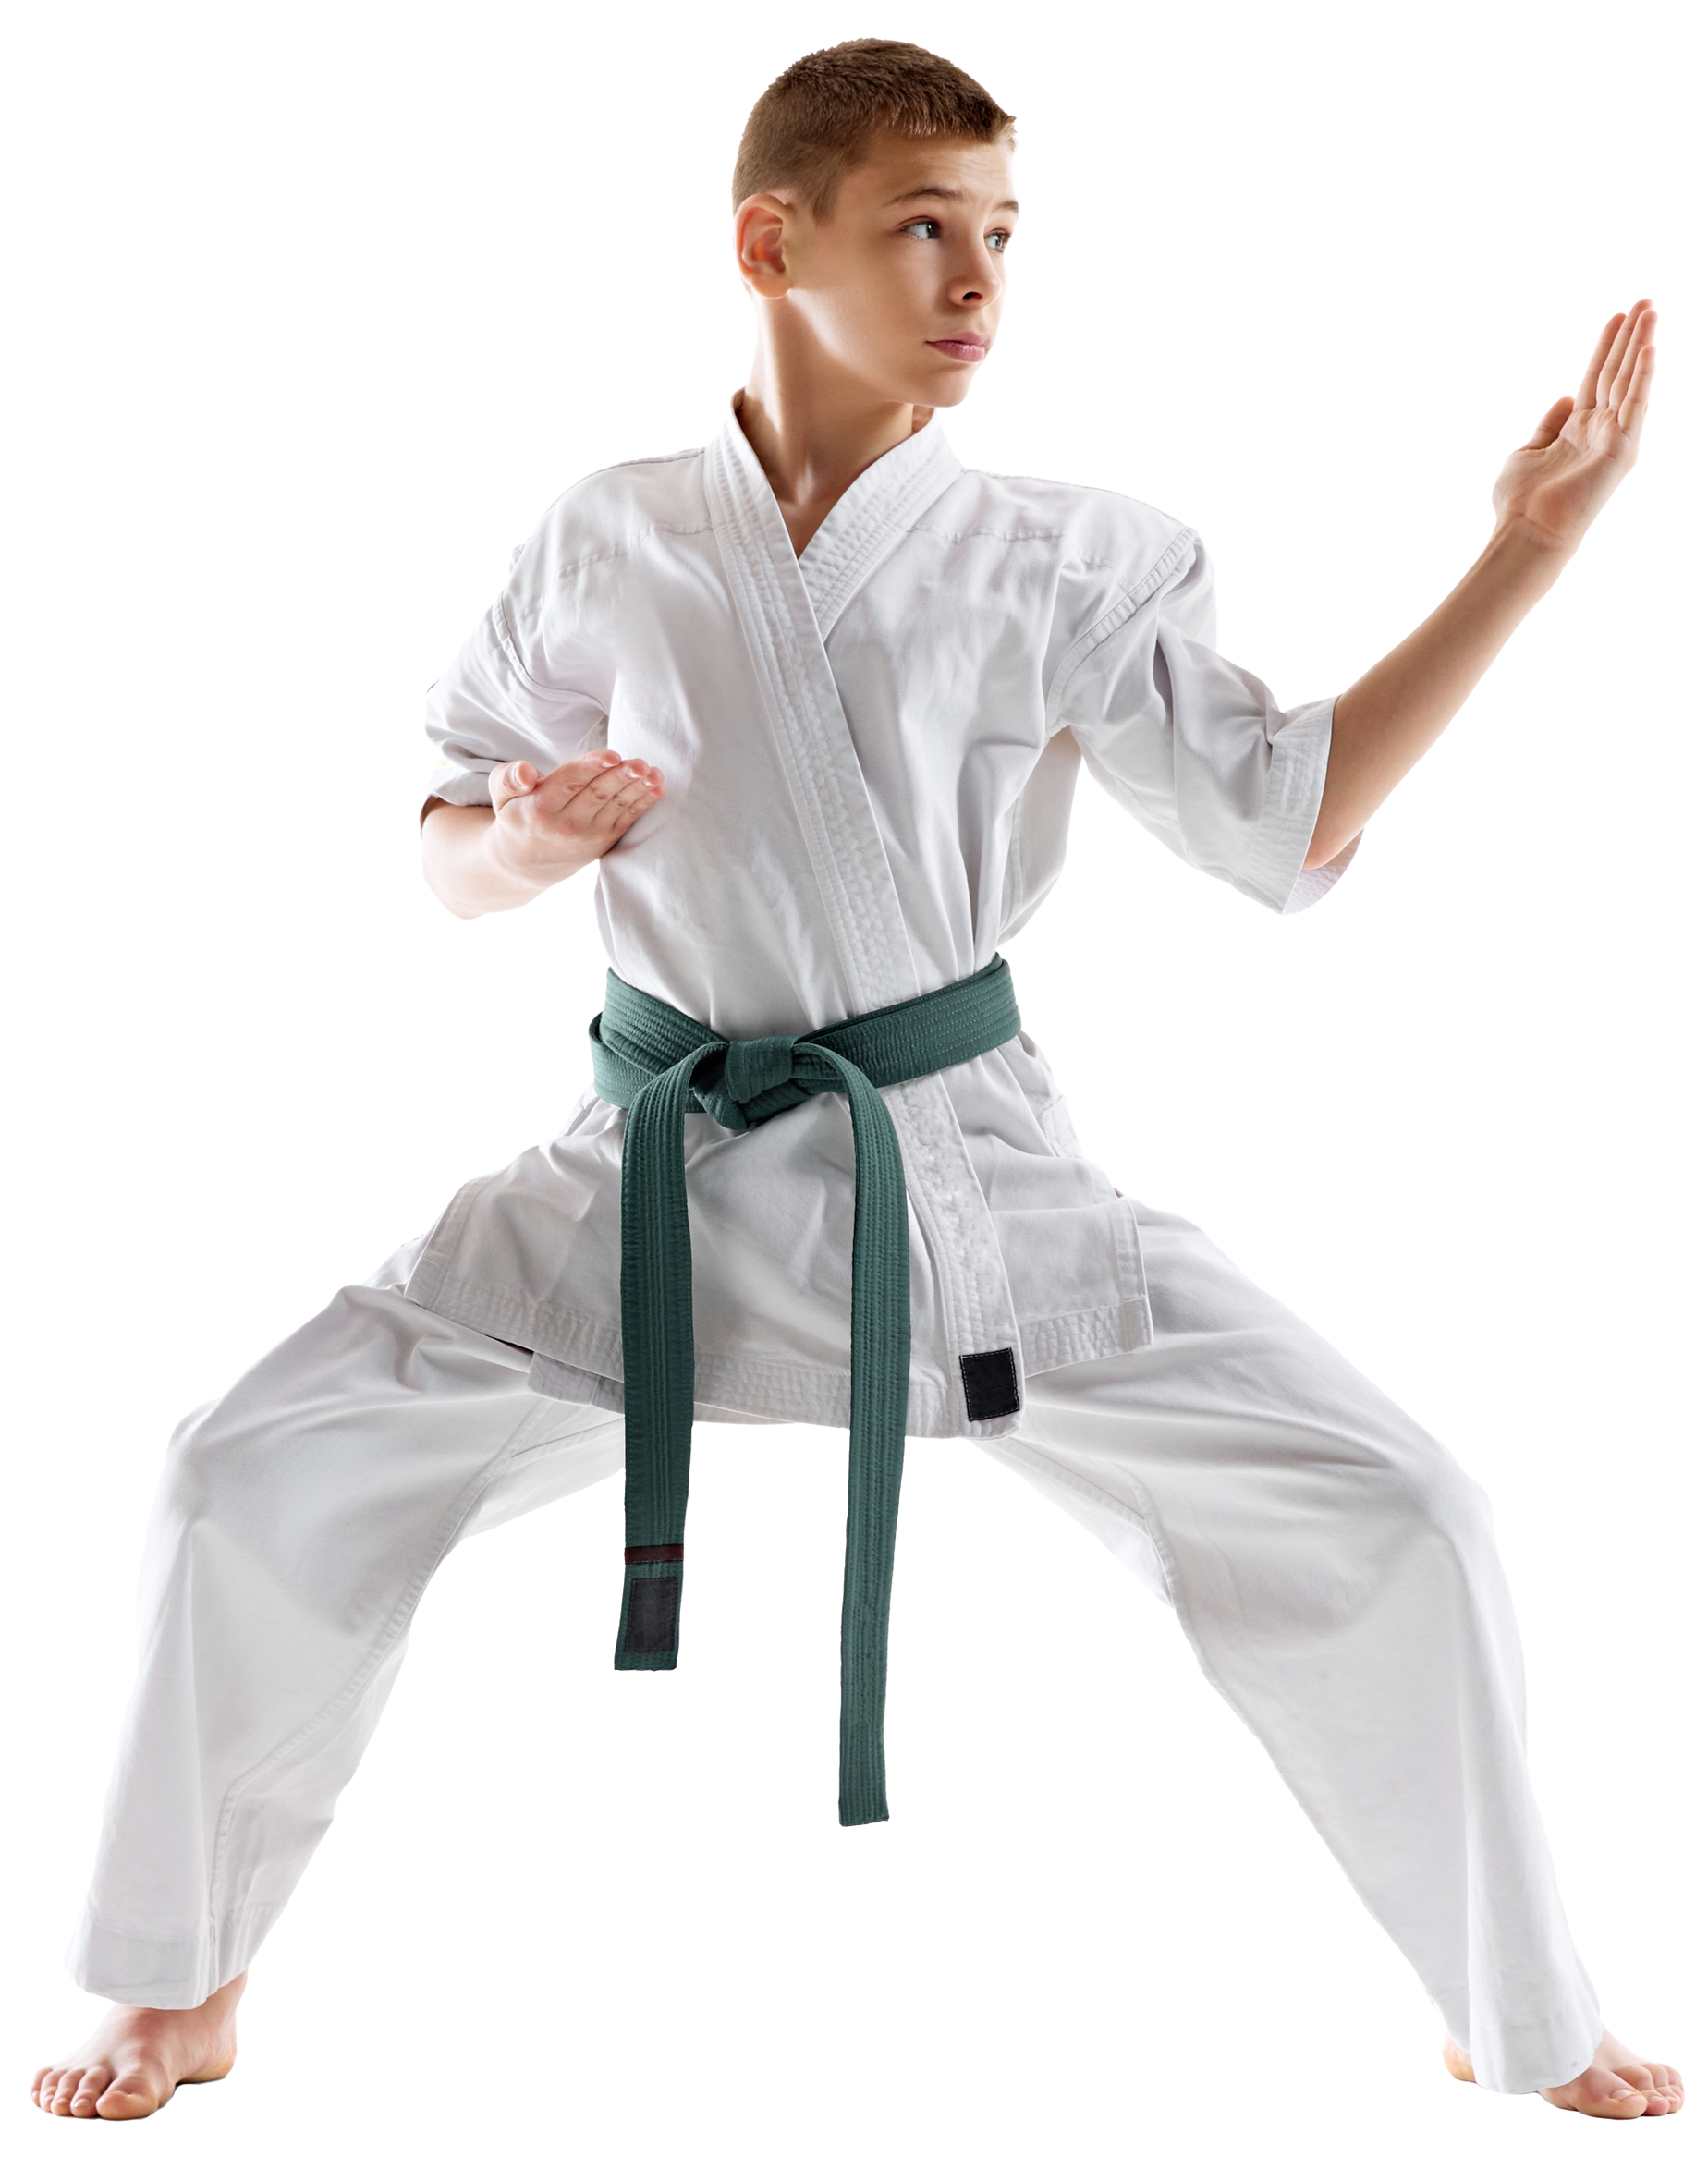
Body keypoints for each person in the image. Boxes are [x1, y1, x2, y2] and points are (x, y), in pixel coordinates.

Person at [33, 36, 1680, 2126]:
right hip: (646, 1167)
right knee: (240, 1472)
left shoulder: (1076, 558)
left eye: (999, 234)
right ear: (768, 241)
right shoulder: (616, 531)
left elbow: (1294, 827)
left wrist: (1524, 547)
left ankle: (1516, 2013)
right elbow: (448, 846)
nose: (976, 279)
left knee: (1410, 1514)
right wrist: (533, 839)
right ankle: (176, 1985)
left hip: (965, 1181)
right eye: (922, 228)